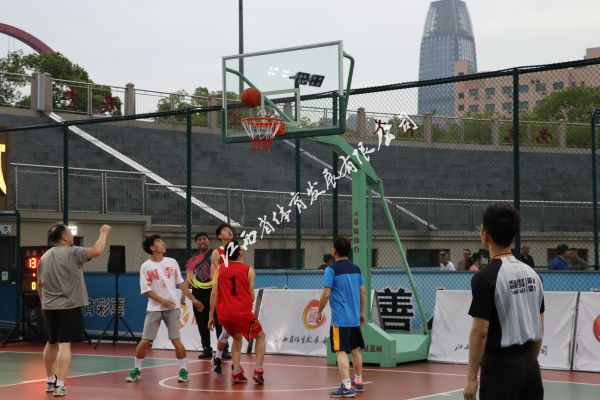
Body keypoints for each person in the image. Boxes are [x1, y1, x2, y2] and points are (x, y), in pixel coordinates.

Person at [463, 204, 544, 400]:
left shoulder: (484, 278)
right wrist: (528, 362)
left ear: (485, 234)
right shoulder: (533, 275)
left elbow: (480, 332)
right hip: (531, 367)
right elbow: (540, 327)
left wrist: (471, 378)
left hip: (499, 369)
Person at [38, 224, 111, 396]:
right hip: (68, 306)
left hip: (49, 306)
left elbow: (40, 285)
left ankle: (50, 381)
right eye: (70, 232)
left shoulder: (44, 257)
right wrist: (103, 233)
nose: (72, 235)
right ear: (64, 237)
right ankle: (60, 385)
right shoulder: (73, 252)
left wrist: (43, 304)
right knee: (64, 344)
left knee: (50, 343)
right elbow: (96, 251)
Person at [126, 234, 203, 383]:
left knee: (176, 340)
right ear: (152, 247)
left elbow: (181, 283)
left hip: (172, 308)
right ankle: (137, 369)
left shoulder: (172, 262)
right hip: (154, 308)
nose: (163, 244)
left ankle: (183, 370)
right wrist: (162, 300)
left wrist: (193, 299)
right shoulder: (146, 266)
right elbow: (146, 290)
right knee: (144, 341)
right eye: (159, 242)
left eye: (162, 241)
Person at [209, 240, 266, 384]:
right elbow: (251, 296)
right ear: (240, 252)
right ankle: (258, 371)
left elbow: (213, 293)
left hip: (224, 315)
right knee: (260, 336)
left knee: (236, 338)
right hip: (241, 313)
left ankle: (236, 372)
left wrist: (211, 316)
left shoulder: (219, 269)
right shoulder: (248, 270)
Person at [316, 237, 366, 398]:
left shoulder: (331, 270)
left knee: (340, 351)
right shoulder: (356, 269)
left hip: (340, 320)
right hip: (354, 318)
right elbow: (363, 291)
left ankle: (346, 386)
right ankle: (358, 381)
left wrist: (318, 312)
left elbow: (325, 294)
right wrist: (361, 312)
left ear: (334, 250)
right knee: (355, 350)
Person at [180, 232, 225, 359]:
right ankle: (206, 349)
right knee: (201, 322)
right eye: (199, 240)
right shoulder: (193, 259)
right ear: (196, 243)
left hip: (214, 292)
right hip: (198, 294)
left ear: (208, 240)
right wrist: (183, 294)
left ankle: (223, 350)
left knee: (219, 321)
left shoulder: (215, 254)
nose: (202, 241)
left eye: (204, 239)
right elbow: (189, 277)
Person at [209, 223, 236, 372]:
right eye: (225, 230)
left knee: (233, 328)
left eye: (230, 230)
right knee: (224, 325)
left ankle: (221, 355)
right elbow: (213, 274)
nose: (229, 232)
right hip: (222, 292)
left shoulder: (237, 250)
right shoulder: (217, 252)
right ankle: (220, 354)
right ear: (220, 236)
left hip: (234, 292)